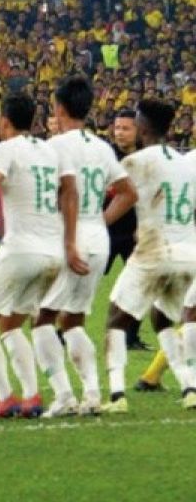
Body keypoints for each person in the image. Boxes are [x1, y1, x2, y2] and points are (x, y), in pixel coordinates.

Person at [0, 94, 84, 419]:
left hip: (21, 250)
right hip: (52, 253)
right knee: (10, 324)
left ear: (5, 120)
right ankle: (32, 397)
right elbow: (70, 191)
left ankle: (6, 397)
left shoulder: (7, 148)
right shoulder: (52, 149)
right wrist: (71, 242)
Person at [33, 77, 137, 417]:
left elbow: (56, 195)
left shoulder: (55, 148)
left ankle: (64, 395)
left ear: (59, 109)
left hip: (69, 239)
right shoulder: (101, 147)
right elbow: (128, 193)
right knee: (73, 320)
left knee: (42, 319)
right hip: (97, 238)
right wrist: (100, 222)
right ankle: (92, 393)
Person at [103, 100, 196, 413]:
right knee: (162, 318)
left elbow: (120, 199)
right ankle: (190, 386)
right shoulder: (186, 162)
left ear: (143, 127)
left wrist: (97, 224)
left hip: (154, 252)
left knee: (116, 320)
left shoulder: (137, 161)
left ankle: (116, 396)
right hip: (188, 255)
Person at [105, 109, 150, 352]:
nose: (120, 133)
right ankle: (63, 329)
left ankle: (131, 336)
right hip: (107, 229)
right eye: (117, 128)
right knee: (85, 282)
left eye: (126, 128)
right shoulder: (106, 155)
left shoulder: (146, 158)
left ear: (138, 131)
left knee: (139, 284)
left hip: (136, 231)